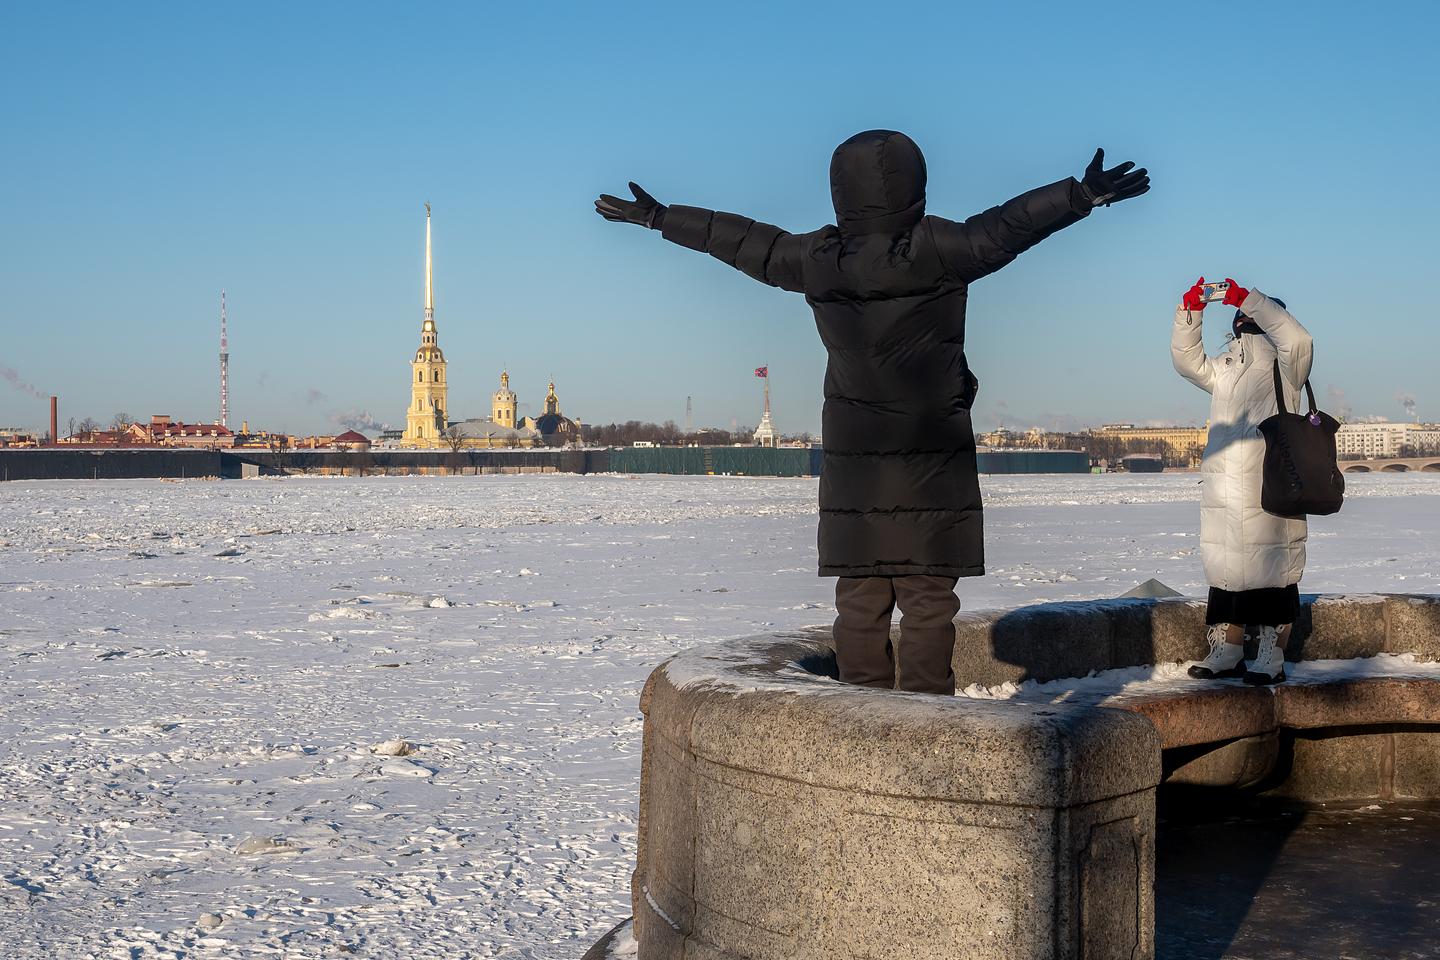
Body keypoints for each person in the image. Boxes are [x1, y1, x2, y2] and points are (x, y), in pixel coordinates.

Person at [597, 131, 1149, 694]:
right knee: (930, 601)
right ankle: (928, 718)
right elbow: (1011, 225)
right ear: (916, 185)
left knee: (859, 603)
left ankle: (863, 720)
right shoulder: (939, 248)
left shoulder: (818, 259)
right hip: (932, 455)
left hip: (854, 461)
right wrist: (1080, 195)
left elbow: (744, 242)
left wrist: (661, 218)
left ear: (840, 190)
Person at [1172, 277, 1314, 684]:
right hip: (1225, 490)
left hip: (1269, 485)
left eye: (1250, 313)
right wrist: (1189, 312)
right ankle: (1229, 649)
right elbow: (1186, 360)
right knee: (1228, 572)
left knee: (1274, 571)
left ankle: (1272, 654)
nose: (1243, 318)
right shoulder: (1224, 369)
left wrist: (1249, 297)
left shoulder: (1288, 367)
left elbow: (1298, 339)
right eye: (1240, 313)